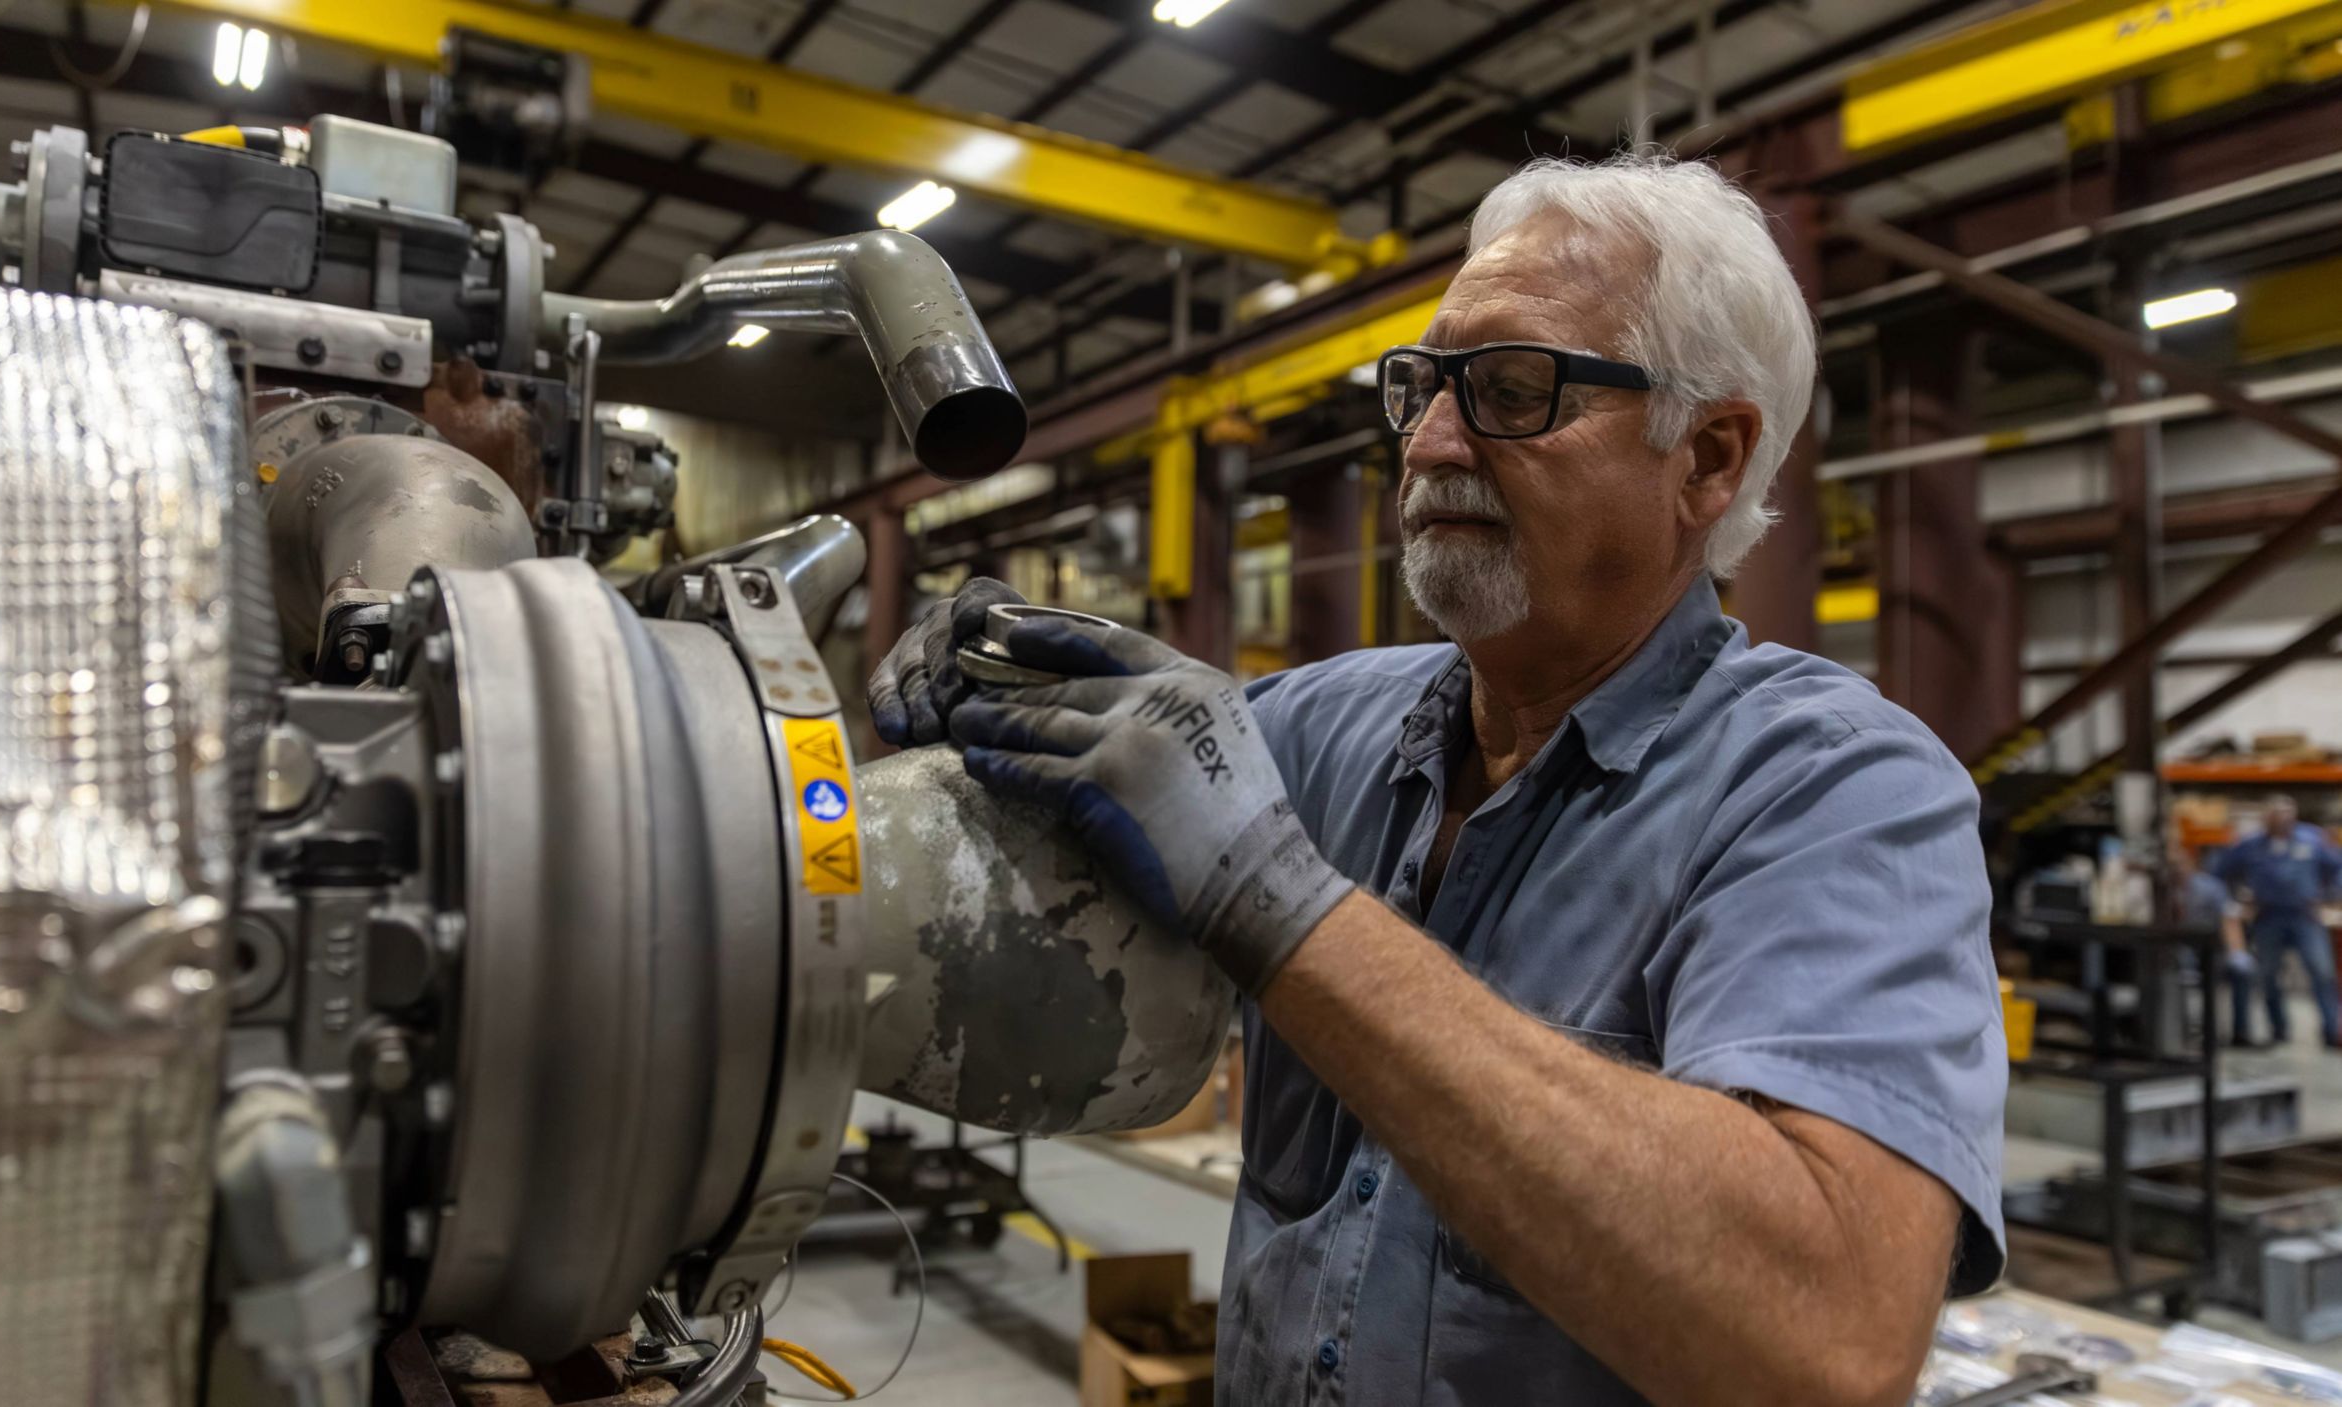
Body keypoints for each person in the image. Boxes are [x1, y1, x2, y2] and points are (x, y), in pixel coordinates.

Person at [871, 153, 2003, 1406]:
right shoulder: (1313, 728)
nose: (1434, 443)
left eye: (1516, 390)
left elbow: (1828, 1340)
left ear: (1708, 459)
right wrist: (995, 689)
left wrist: (1279, 904)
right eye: (1420, 388)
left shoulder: (1832, 789)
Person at [2214, 794, 2342, 1049]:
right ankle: (2279, 1029)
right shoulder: (2251, 845)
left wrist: (2331, 895)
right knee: (2268, 975)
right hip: (2268, 917)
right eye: (2276, 814)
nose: (2282, 819)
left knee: (2321, 972)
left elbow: (2337, 866)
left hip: (2305, 916)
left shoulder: (2313, 839)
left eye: (2287, 813)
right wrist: (2235, 902)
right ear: (2267, 818)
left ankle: (2331, 1031)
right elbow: (2220, 870)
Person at [2173, 847, 2255, 1046]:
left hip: (2210, 950)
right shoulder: (2161, 890)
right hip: (2175, 950)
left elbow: (2229, 920)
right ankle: (2185, 1032)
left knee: (2241, 971)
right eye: (2172, 867)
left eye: (2180, 865)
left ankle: (2240, 1032)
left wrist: (2237, 952)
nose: (2177, 870)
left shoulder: (2210, 887)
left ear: (2191, 864)